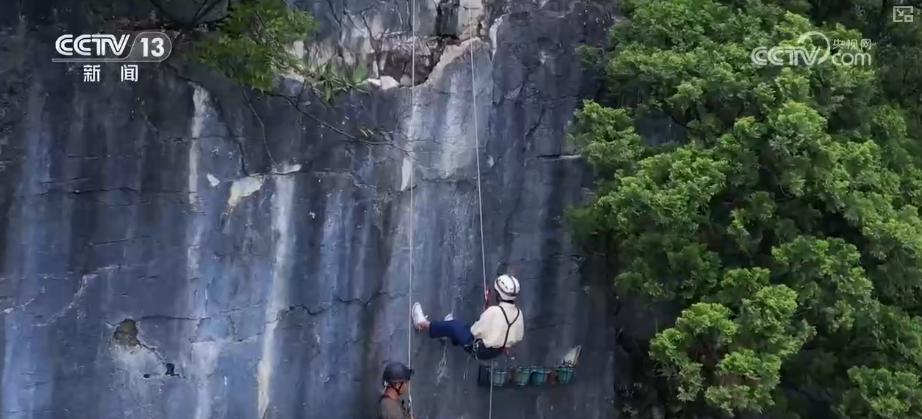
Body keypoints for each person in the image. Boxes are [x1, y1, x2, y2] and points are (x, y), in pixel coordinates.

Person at [411, 274, 524, 360]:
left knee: (454, 327)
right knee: (460, 329)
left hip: (480, 350)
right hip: (496, 352)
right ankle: (445, 332)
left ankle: (421, 323)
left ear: (498, 293)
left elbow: (475, 331)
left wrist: (487, 307)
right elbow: (512, 334)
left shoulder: (494, 311)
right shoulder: (518, 314)